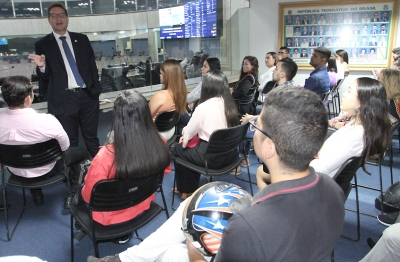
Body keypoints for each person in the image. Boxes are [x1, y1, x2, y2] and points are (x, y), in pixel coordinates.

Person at [89, 86, 345, 262]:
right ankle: (124, 259)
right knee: (193, 202)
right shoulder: (332, 189)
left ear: (269, 147)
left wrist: (195, 243)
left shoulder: (247, 229)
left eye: (257, 125)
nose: (253, 129)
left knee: (170, 253)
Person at [81, 90, 170, 228]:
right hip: (142, 202)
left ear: (116, 119)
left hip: (110, 216)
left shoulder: (104, 157)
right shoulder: (160, 143)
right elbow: (165, 171)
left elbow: (89, 197)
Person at [0, 76, 89, 208]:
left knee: (26, 155)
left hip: (16, 170)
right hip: (48, 170)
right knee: (84, 154)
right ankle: (73, 195)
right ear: (28, 99)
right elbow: (65, 146)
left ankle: (37, 196)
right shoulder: (47, 120)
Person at [28, 2, 101, 158]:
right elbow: (45, 77)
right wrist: (41, 67)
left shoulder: (81, 39)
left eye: (61, 15)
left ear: (67, 18)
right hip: (63, 100)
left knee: (92, 138)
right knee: (69, 142)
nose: (58, 18)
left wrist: (96, 90)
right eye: (54, 16)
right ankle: (74, 179)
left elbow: (91, 66)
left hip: (88, 97)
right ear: (49, 20)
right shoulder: (42, 44)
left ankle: (100, 175)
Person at [174, 70, 239, 198]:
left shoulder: (203, 107)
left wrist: (183, 139)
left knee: (179, 149)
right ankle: (190, 186)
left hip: (211, 159)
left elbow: (188, 133)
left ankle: (187, 189)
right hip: (231, 155)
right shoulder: (230, 104)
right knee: (192, 149)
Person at [312, 78, 391, 177]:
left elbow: (320, 169)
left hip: (316, 180)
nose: (344, 94)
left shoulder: (356, 136)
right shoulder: (359, 123)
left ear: (362, 102)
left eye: (349, 91)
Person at [149, 59, 187, 140]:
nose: (159, 75)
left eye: (161, 74)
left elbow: (145, 117)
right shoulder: (181, 93)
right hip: (170, 131)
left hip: (156, 134)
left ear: (168, 76)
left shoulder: (160, 96)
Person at [180, 57, 221, 127]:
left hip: (199, 122)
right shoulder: (221, 82)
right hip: (212, 120)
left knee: (179, 112)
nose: (201, 68)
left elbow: (189, 98)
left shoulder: (205, 84)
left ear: (212, 69)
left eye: (205, 66)